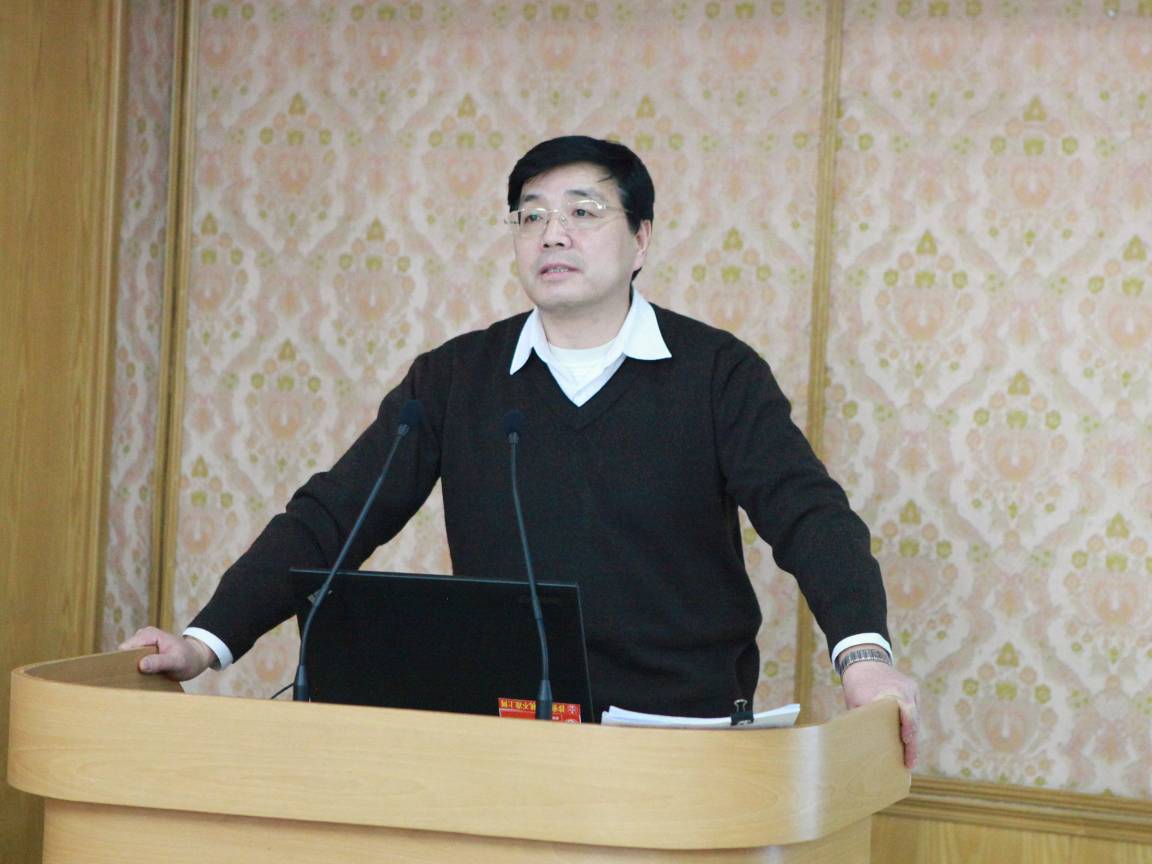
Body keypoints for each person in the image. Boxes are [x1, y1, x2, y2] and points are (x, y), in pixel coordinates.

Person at [123, 135, 919, 767]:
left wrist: (864, 655)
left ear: (641, 239)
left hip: (679, 739)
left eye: (583, 211)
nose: (552, 233)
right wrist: (204, 641)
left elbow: (810, 516)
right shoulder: (455, 377)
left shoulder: (716, 373)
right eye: (530, 216)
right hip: (505, 737)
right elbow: (334, 515)